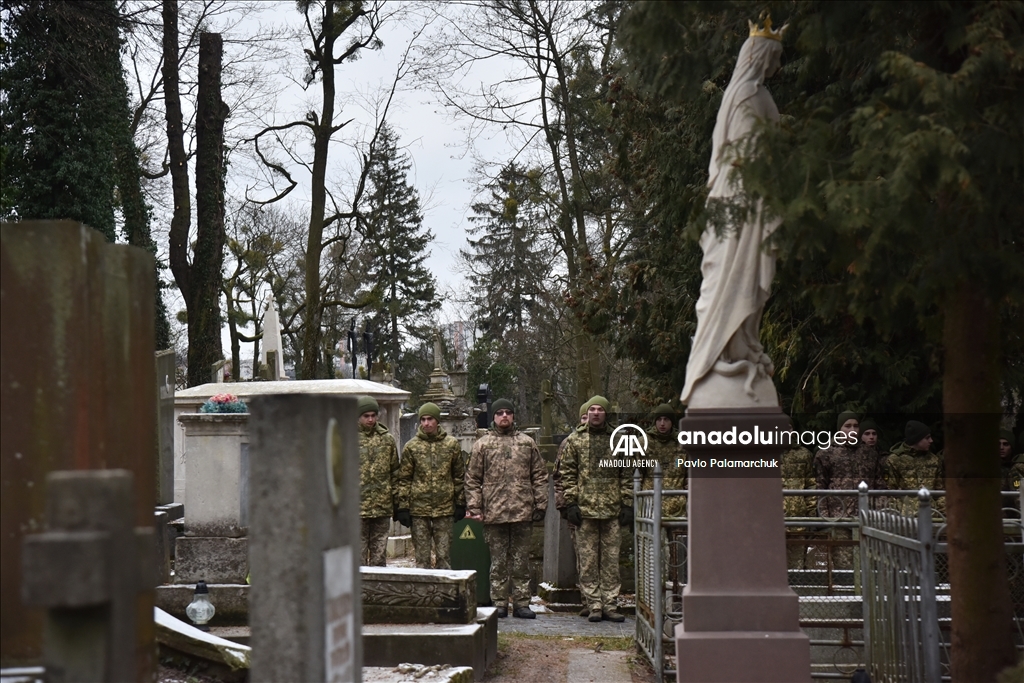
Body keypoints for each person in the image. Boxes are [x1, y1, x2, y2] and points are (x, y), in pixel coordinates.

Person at [680, 22, 785, 407]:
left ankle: (743, 347)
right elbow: (742, 157)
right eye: (772, 58)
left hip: (755, 205)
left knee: (753, 285)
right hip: (737, 206)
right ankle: (719, 356)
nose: (775, 67)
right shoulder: (743, 95)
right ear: (759, 57)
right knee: (727, 279)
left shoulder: (757, 94)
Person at [465, 399, 548, 619]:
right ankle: (499, 602)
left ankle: (521, 603)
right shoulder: (482, 444)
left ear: (513, 416)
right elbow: (472, 478)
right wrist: (475, 507)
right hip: (494, 511)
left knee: (521, 561)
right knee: (498, 561)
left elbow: (539, 475)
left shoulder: (527, 443)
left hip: (522, 511)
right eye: (499, 413)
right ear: (493, 417)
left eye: (508, 413)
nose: (504, 416)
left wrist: (540, 503)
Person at [561, 395, 632, 622]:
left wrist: (627, 503)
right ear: (586, 413)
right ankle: (594, 605)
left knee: (611, 561)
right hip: (586, 510)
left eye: (600, 409)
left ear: (606, 413)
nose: (595, 413)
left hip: (612, 510)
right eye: (591, 409)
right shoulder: (575, 440)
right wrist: (571, 503)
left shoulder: (619, 439)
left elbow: (627, 474)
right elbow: (568, 474)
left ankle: (611, 604)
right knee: (588, 561)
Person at [396, 402, 465, 569]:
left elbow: (459, 476)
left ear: (437, 421)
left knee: (444, 558)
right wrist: (403, 507)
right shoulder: (411, 446)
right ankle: (423, 594)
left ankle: (443, 594)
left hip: (444, 509)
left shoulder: (451, 445)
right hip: (419, 510)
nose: (426, 423)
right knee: (422, 560)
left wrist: (461, 502)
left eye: (430, 419)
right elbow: (404, 478)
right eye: (423, 419)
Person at [357, 396, 399, 566]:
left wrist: (397, 502)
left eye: (373, 415)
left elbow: (395, 472)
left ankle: (379, 592)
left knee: (379, 558)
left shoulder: (387, 439)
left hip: (381, 507)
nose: (370, 419)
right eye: (366, 415)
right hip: (356, 509)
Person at [884, 420, 944, 514]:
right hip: (905, 518)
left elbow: (939, 491)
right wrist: (897, 514)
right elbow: (890, 492)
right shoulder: (895, 460)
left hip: (932, 515)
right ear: (916, 439)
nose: (931, 440)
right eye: (927, 438)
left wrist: (942, 513)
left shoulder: (934, 460)